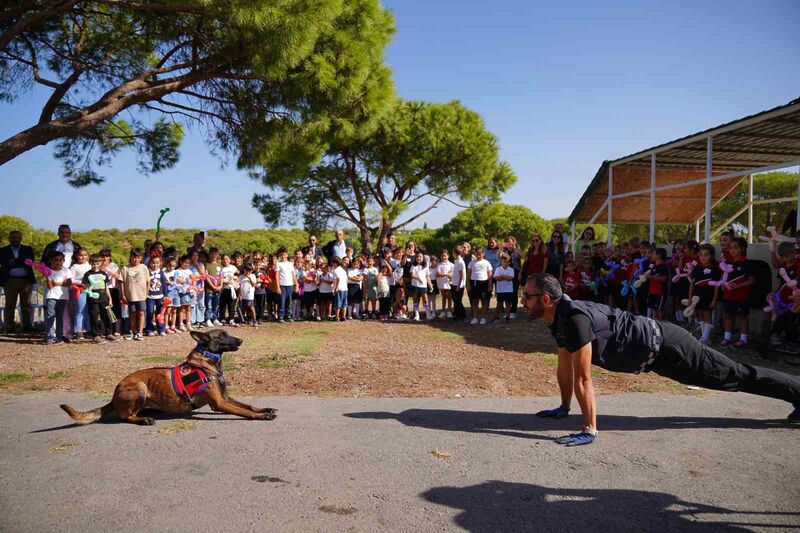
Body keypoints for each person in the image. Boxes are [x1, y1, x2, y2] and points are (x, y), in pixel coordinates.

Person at [523, 273, 800, 448]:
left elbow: (583, 377)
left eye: (526, 296)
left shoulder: (573, 318)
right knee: (730, 378)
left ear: (546, 298)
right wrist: (563, 406)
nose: (522, 301)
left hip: (670, 346)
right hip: (659, 358)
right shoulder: (557, 318)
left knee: (735, 375)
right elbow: (564, 366)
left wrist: (590, 430)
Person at [720, 237, 755, 348]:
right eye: (730, 248)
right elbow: (723, 276)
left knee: (743, 317)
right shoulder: (728, 263)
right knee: (728, 316)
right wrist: (722, 284)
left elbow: (752, 280)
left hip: (742, 296)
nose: (733, 251)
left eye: (736, 248)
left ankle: (743, 339)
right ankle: (727, 337)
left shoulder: (747, 264)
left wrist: (738, 285)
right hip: (728, 295)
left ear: (743, 248)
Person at [0, 230, 36, 333]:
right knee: (10, 305)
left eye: (18, 237)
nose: (16, 239)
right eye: (13, 237)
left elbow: (29, 262)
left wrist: (14, 262)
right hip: (10, 280)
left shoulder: (28, 249)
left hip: (26, 280)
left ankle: (27, 326)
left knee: (26, 305)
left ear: (21, 238)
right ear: (9, 238)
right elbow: (3, 263)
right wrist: (19, 261)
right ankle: (9, 327)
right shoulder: (3, 250)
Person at [687, 244, 720, 346]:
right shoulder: (697, 268)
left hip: (708, 296)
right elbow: (692, 284)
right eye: (701, 255)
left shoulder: (715, 269)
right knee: (700, 314)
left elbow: (716, 286)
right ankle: (703, 336)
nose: (703, 257)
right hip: (697, 296)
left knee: (707, 315)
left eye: (706, 255)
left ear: (711, 256)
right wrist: (690, 298)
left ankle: (706, 337)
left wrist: (714, 299)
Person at [83, 253, 116, 344]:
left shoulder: (103, 273)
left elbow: (106, 287)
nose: (95, 265)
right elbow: (85, 287)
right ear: (90, 263)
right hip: (93, 300)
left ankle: (108, 333)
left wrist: (109, 298)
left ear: (100, 263)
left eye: (97, 263)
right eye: (93, 263)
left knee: (106, 316)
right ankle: (96, 335)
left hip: (103, 298)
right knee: (94, 317)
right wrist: (89, 292)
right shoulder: (87, 274)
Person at [118, 248, 149, 340]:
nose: (136, 260)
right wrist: (123, 295)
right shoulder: (125, 268)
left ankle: (140, 332)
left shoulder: (144, 267)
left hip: (141, 295)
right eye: (134, 257)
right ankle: (133, 331)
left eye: (138, 257)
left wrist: (146, 293)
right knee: (132, 314)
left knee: (141, 313)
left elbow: (148, 281)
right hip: (130, 296)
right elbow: (121, 282)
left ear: (141, 258)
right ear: (130, 257)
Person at [43, 251, 71, 345]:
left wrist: (57, 283)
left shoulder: (66, 270)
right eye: (56, 260)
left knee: (59, 317)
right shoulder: (49, 271)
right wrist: (47, 276)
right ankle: (50, 337)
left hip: (63, 297)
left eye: (60, 260)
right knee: (50, 316)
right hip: (51, 296)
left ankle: (59, 337)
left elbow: (68, 283)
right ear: (51, 260)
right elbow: (50, 286)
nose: (58, 262)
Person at [68, 248, 91, 340]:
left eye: (85, 255)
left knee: (88, 311)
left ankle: (88, 330)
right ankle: (78, 331)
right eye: (81, 255)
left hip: (90, 290)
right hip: (79, 290)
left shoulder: (89, 265)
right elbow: (71, 279)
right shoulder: (74, 267)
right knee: (80, 311)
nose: (83, 257)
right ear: (76, 256)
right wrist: (81, 282)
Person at [467, 246, 493, 325]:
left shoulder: (487, 262)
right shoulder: (472, 263)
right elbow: (468, 274)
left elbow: (490, 275)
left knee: (484, 301)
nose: (478, 256)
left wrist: (490, 285)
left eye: (480, 254)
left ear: (483, 254)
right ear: (475, 254)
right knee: (475, 301)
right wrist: (468, 284)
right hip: (474, 283)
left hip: (484, 283)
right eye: (477, 254)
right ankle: (475, 318)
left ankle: (483, 318)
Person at [145, 254, 168, 337]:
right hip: (150, 296)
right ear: (150, 263)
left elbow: (164, 284)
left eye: (157, 263)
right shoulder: (147, 271)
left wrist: (165, 295)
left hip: (160, 296)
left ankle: (161, 329)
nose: (155, 265)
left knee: (160, 313)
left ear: (160, 263)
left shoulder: (161, 272)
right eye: (153, 263)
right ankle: (149, 329)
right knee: (150, 312)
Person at [275, 248, 297, 323]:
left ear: (287, 255)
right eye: (281, 255)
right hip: (282, 285)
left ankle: (288, 315)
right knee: (282, 301)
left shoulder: (290, 264)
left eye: (284, 254)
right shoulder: (278, 264)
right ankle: (281, 315)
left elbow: (293, 275)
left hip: (290, 284)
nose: (283, 256)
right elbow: (277, 276)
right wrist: (278, 287)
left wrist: (296, 284)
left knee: (289, 301)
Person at [409, 251, 432, 321]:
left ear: (423, 258)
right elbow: (412, 275)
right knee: (415, 299)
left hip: (423, 286)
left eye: (420, 257)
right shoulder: (413, 266)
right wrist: (417, 278)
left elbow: (427, 276)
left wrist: (430, 284)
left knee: (425, 299)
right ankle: (416, 315)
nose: (419, 258)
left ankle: (428, 314)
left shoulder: (425, 266)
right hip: (415, 285)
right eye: (417, 257)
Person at [493, 253, 516, 323]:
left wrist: (502, 276)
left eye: (507, 262)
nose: (505, 263)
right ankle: (496, 317)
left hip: (508, 290)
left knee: (508, 303)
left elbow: (510, 278)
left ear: (509, 262)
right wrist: (505, 277)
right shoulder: (498, 269)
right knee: (499, 303)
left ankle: (507, 317)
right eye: (504, 261)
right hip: (500, 290)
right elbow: (497, 278)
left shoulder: (511, 269)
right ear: (501, 261)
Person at [436, 250, 454, 319]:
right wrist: (446, 275)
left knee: (449, 297)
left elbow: (453, 273)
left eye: (445, 256)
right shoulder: (439, 265)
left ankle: (449, 311)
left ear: (448, 256)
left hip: (449, 283)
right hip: (442, 283)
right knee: (443, 297)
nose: (444, 257)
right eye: (442, 256)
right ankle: (443, 311)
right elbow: (437, 274)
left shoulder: (451, 265)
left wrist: (450, 276)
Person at [451, 246, 467, 322]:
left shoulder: (461, 262)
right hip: (454, 283)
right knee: (455, 300)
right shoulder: (456, 261)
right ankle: (457, 315)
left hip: (459, 285)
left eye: (453, 253)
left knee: (458, 301)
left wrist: (458, 285)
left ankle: (463, 315)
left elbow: (461, 275)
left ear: (456, 253)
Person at [239, 262, 258, 327]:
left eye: (249, 271)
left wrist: (249, 278)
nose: (247, 272)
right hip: (243, 295)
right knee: (243, 307)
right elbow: (239, 285)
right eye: (246, 270)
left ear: (251, 271)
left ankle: (254, 320)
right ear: (244, 270)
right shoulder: (241, 276)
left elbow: (254, 285)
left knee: (251, 307)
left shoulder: (253, 276)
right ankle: (242, 320)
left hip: (249, 295)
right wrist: (239, 294)